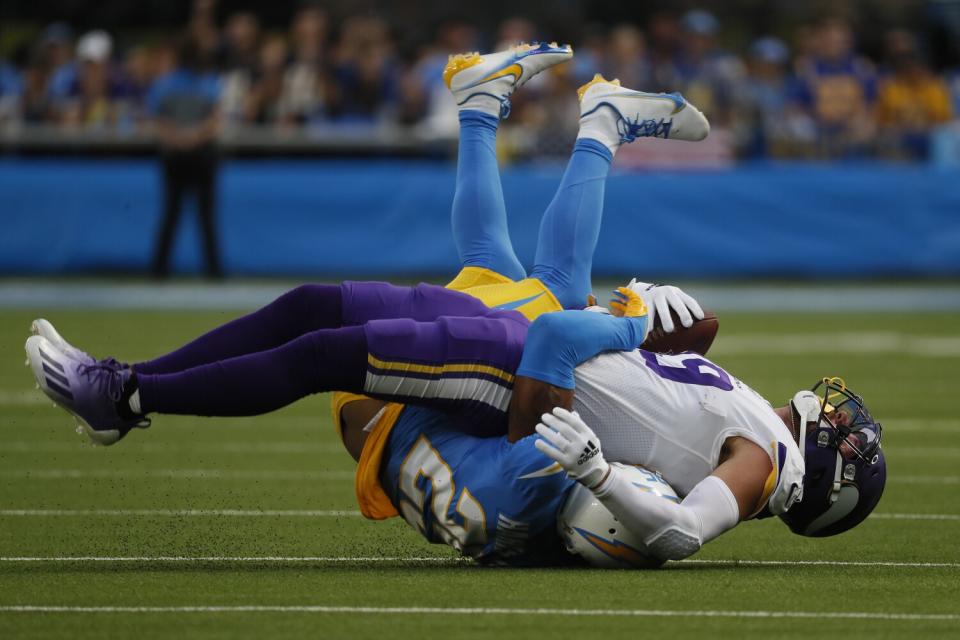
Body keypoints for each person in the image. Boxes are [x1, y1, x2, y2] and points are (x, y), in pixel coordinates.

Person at [26, 43, 883, 567]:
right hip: (534, 346)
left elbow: (682, 534)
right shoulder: (749, 419)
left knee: (329, 351)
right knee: (313, 305)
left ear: (825, 476)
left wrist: (597, 452)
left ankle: (127, 396)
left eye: (848, 436)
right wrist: (666, 318)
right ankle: (125, 385)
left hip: (521, 366)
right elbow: (660, 383)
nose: (840, 415)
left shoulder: (764, 459)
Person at [146, 32, 223, 279]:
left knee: (180, 214)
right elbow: (215, 118)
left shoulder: (168, 83)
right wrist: (190, 137)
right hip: (193, 153)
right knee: (195, 215)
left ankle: (162, 271)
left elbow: (158, 119)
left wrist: (181, 138)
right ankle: (211, 272)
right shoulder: (204, 82)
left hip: (184, 153)